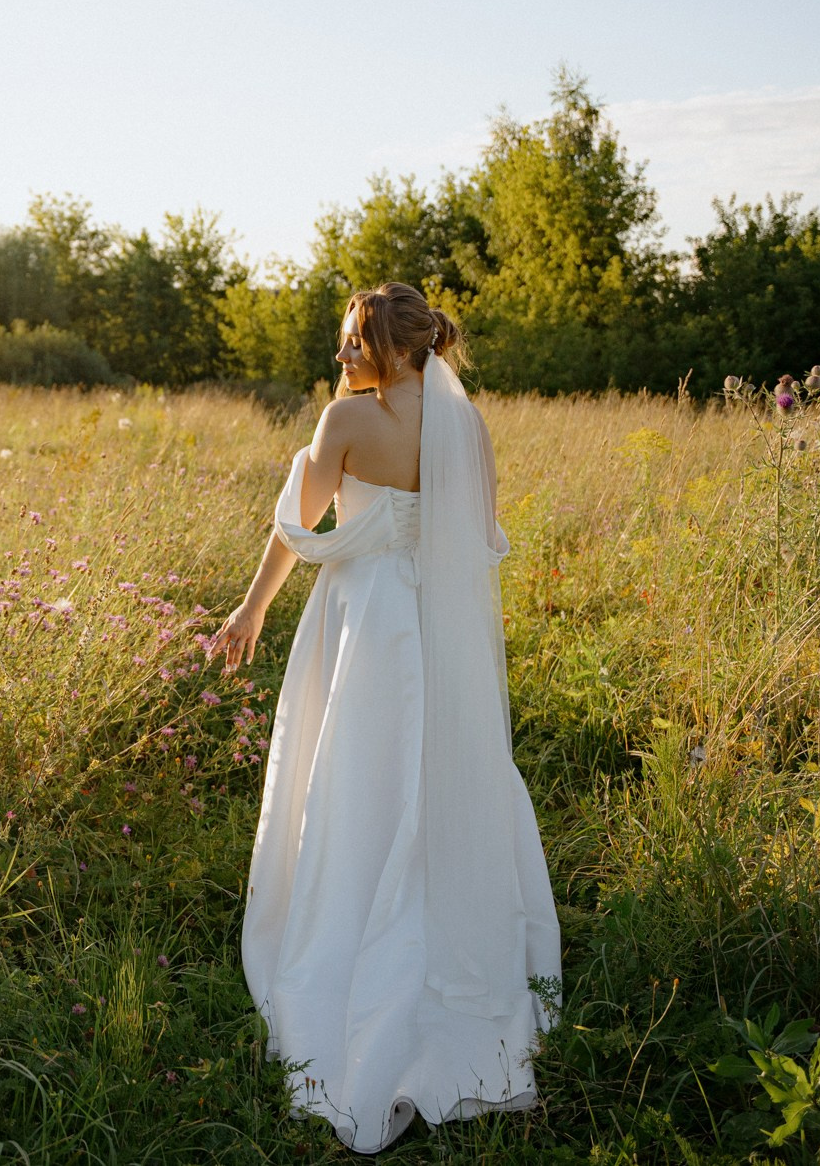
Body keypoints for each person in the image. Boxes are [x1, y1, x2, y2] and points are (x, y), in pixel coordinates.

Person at [215, 282, 561, 1154]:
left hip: (363, 622)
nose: (341, 356)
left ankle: (349, 938)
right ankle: (444, 959)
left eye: (351, 341)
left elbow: (297, 529)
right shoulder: (467, 425)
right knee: (435, 777)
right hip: (436, 626)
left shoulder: (345, 422)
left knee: (355, 776)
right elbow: (480, 533)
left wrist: (250, 611)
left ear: (393, 347)